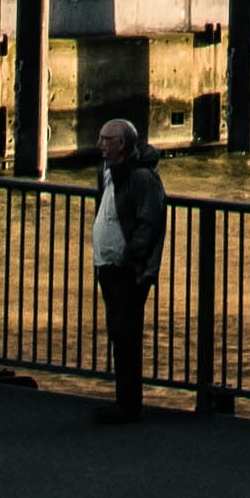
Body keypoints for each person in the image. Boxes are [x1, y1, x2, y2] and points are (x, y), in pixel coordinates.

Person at [88, 113, 167, 425]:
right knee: (120, 333)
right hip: (110, 265)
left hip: (126, 269)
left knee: (126, 333)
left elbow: (150, 222)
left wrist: (132, 258)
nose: (100, 145)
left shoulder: (141, 178)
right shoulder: (112, 172)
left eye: (106, 140)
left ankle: (129, 404)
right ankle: (125, 401)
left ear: (121, 144)